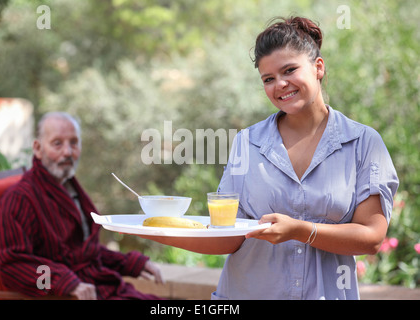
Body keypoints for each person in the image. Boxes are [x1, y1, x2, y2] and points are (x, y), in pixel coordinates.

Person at [141, 16, 399, 300]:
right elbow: (229, 236)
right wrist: (155, 230)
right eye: (269, 79)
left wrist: (300, 230)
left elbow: (372, 237)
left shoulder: (363, 143)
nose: (280, 85)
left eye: (289, 70)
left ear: (318, 67)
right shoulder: (247, 143)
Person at [0, 111, 163, 300]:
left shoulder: (69, 188)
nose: (67, 152)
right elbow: (13, 266)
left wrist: (130, 263)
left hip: (103, 288)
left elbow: (82, 254)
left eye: (73, 143)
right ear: (38, 148)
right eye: (57, 143)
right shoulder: (20, 199)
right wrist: (64, 283)